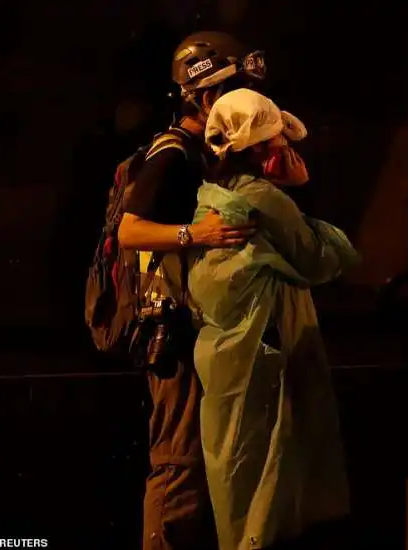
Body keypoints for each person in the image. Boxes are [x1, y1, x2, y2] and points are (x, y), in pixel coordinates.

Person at [188, 88, 359, 550]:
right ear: (263, 149)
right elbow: (320, 259)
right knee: (270, 478)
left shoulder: (215, 194)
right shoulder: (265, 199)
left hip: (227, 352)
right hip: (260, 353)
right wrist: (301, 194)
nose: (290, 150)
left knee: (238, 475)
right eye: (281, 141)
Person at [117, 31, 265, 550]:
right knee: (177, 463)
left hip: (200, 328)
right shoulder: (173, 154)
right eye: (235, 91)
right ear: (206, 96)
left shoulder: (205, 153)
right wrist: (194, 235)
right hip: (173, 334)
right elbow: (129, 229)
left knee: (204, 464)